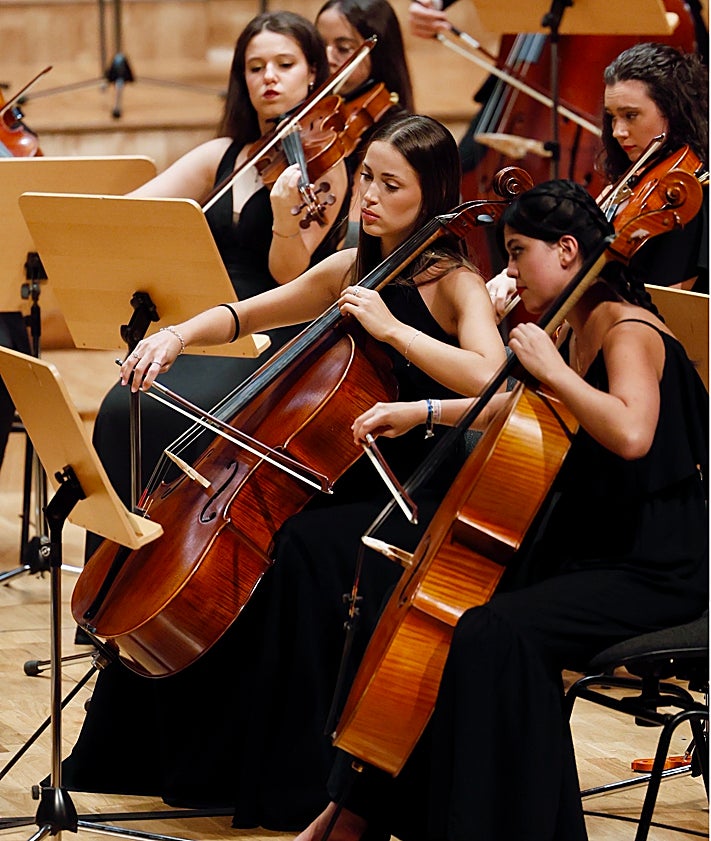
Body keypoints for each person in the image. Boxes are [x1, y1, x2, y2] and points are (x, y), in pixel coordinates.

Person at [62, 113, 507, 830]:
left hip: (397, 482)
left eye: (390, 185)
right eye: (366, 176)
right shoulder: (349, 266)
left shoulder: (455, 283)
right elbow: (243, 314)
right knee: (216, 555)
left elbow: (489, 379)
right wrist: (177, 334)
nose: (367, 195)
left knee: (296, 558)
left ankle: (288, 784)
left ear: (429, 197)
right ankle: (186, 764)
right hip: (316, 471)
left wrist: (393, 332)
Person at [295, 177, 709, 841]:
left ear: (568, 249)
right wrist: (423, 410)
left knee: (493, 631)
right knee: (418, 595)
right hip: (588, 543)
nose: (508, 271)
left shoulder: (624, 327)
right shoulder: (569, 319)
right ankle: (359, 808)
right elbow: (525, 409)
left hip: (652, 562)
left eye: (517, 252)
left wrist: (553, 367)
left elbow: (630, 432)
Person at [81, 10, 350, 562]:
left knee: (167, 409)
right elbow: (129, 213)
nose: (268, 77)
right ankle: (106, 592)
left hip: (267, 326)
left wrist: (281, 217)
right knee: (119, 407)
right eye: (255, 66)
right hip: (201, 321)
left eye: (284, 63)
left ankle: (168, 571)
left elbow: (290, 277)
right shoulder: (222, 157)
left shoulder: (327, 167)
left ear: (313, 75)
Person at [487, 41, 709, 319]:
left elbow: (671, 314)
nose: (617, 131)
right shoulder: (631, 182)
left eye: (631, 116)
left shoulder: (685, 192)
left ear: (673, 111)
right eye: (612, 117)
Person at [315, 0, 415, 243]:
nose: (327, 58)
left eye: (343, 47)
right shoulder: (315, 114)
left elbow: (353, 232)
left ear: (379, 54)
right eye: (320, 46)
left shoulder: (395, 132)